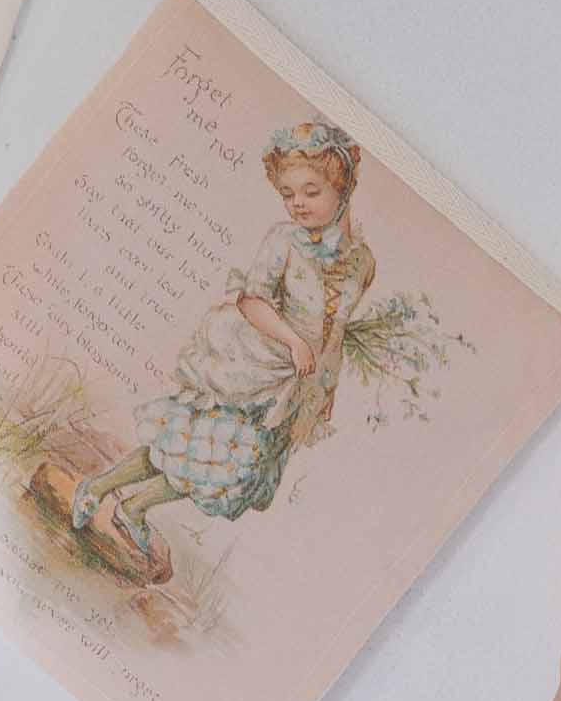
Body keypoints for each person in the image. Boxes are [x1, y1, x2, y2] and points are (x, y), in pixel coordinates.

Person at [70, 120, 375, 559]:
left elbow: (337, 331)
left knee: (229, 474)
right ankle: (98, 487)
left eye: (311, 191)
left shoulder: (362, 262)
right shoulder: (283, 239)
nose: (298, 203)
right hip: (249, 368)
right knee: (188, 445)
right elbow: (252, 300)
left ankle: (135, 507)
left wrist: (325, 390)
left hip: (290, 391)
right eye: (288, 194)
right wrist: (292, 340)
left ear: (341, 188)